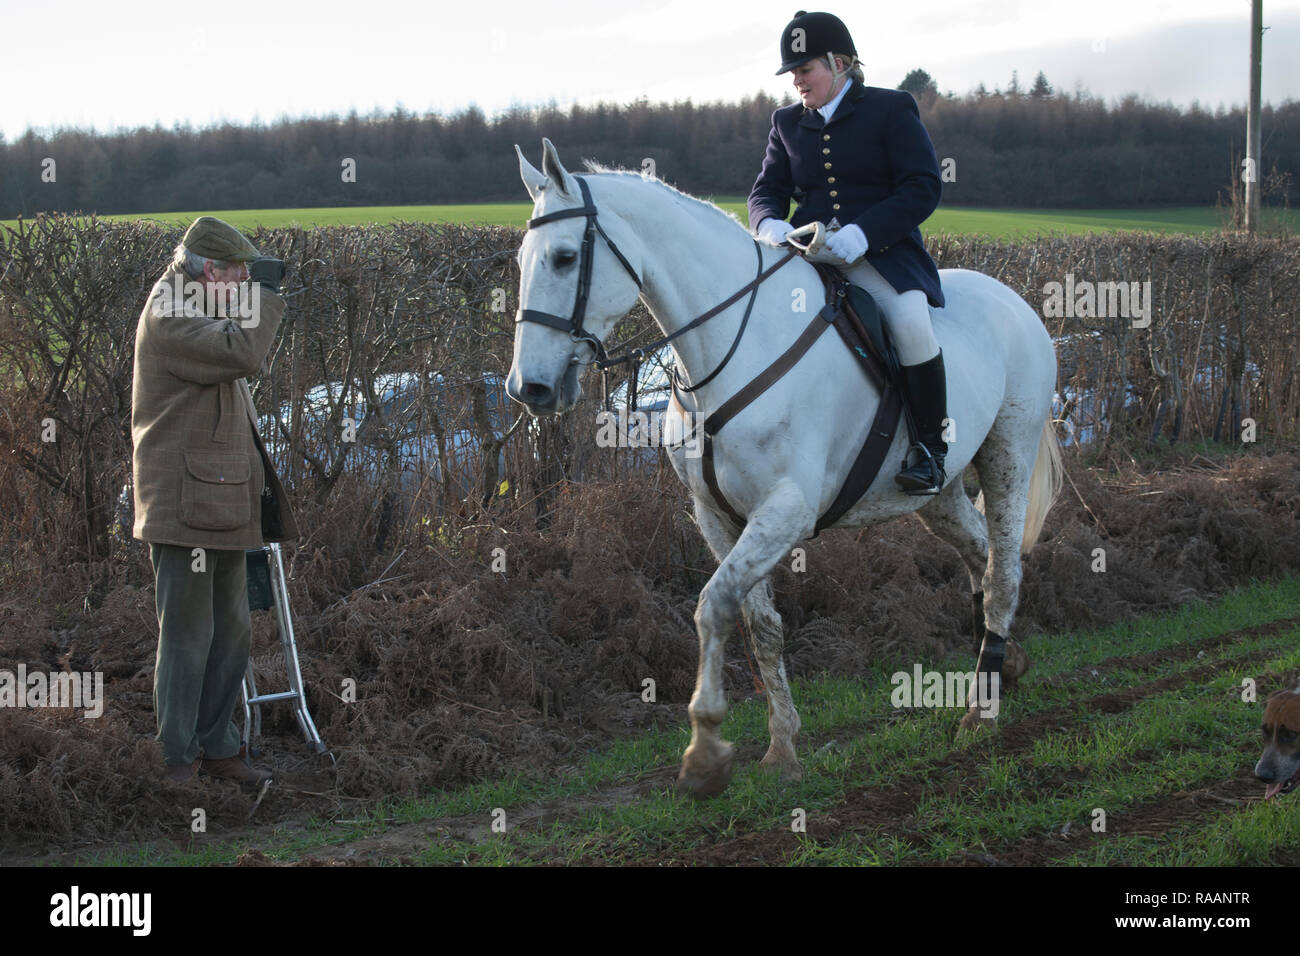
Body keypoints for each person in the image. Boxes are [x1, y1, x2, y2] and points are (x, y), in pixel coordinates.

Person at [748, 10, 949, 494]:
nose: (796, 81)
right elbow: (765, 192)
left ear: (840, 64)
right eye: (791, 73)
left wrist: (865, 231)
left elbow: (923, 185)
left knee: (909, 324)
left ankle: (930, 451)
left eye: (804, 70)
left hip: (879, 256)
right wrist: (770, 224)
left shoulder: (890, 108)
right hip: (808, 254)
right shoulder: (786, 123)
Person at [131, 216, 298, 787]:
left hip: (223, 500)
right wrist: (268, 297)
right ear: (208, 268)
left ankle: (221, 748)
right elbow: (241, 354)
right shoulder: (170, 310)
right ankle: (175, 760)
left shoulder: (201, 302)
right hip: (183, 504)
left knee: (231, 632)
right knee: (185, 634)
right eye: (239, 272)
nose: (246, 281)